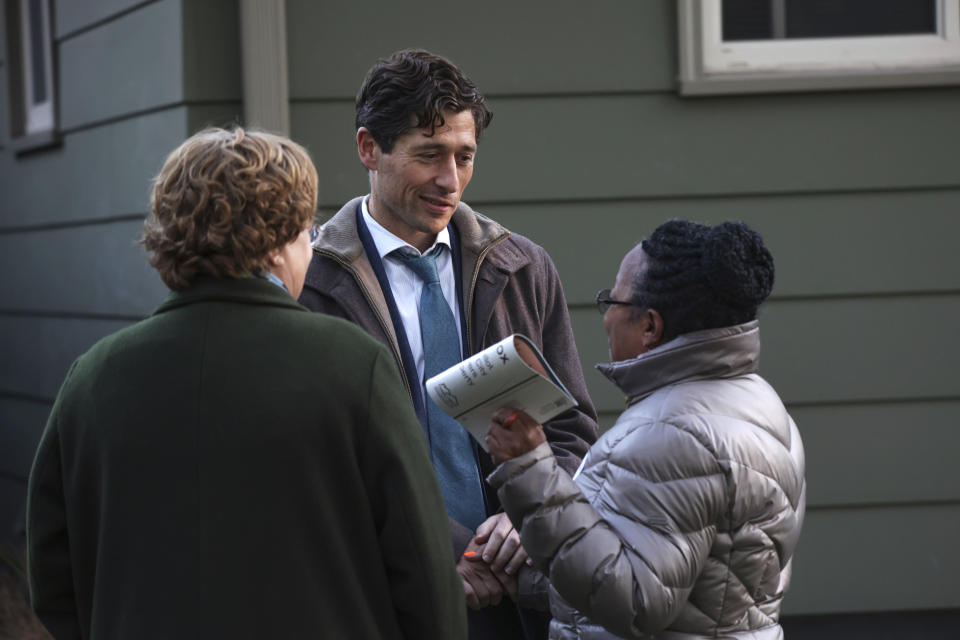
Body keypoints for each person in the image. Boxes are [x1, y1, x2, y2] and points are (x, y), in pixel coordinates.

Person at [26, 128, 466, 639]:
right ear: (279, 240)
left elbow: (53, 580)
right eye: (309, 231)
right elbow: (426, 577)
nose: (311, 245)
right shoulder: (352, 366)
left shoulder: (93, 378)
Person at [299, 49, 598, 639]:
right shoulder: (310, 280)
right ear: (368, 148)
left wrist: (530, 515)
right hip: (384, 599)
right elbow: (315, 465)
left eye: (465, 158)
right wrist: (439, 548)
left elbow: (571, 431)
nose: (450, 181)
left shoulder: (522, 268)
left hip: (518, 593)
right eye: (429, 155)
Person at [485, 220, 806, 639]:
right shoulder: (755, 401)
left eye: (612, 300)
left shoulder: (674, 434)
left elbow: (635, 602)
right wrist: (521, 578)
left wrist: (530, 472)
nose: (606, 319)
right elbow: (700, 585)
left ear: (650, 326)